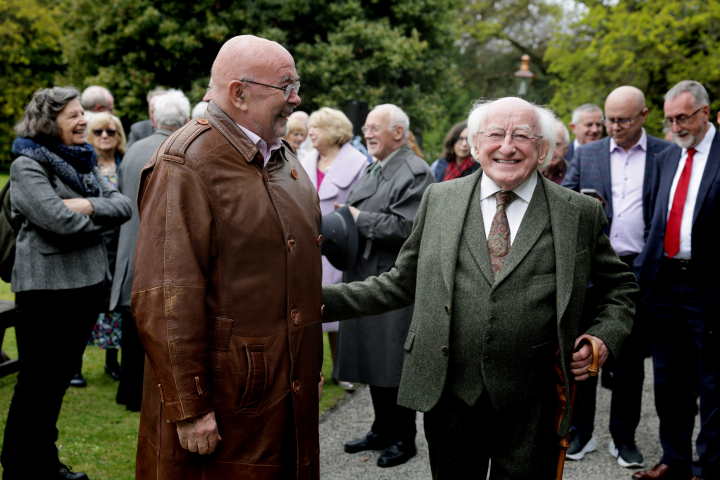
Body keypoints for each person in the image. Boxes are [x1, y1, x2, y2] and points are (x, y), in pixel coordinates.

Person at [322, 96, 638, 479]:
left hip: (533, 404)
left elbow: (620, 288)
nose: (507, 146)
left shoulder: (577, 213)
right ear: (474, 144)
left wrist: (602, 338)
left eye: (522, 135)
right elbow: (400, 283)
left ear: (542, 149)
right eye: (495, 134)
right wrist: (314, 302)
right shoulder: (440, 199)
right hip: (451, 399)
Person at [132, 35, 323, 480]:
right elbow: (164, 297)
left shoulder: (279, 155)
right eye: (286, 85)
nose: (296, 98)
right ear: (239, 93)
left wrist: (307, 360)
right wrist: (189, 407)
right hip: (229, 397)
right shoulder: (186, 164)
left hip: (281, 383)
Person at [0, 87, 132, 480]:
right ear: (49, 122)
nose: (83, 121)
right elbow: (59, 221)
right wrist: (93, 216)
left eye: (82, 114)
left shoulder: (83, 160)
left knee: (55, 382)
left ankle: (43, 463)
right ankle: (20, 468)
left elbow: (123, 206)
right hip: (45, 292)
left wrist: (88, 204)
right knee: (37, 383)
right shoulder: (27, 165)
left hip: (85, 288)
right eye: (73, 115)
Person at [562, 86, 672, 468]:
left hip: (644, 270)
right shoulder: (589, 153)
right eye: (610, 119)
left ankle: (623, 438)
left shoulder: (665, 153)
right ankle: (580, 433)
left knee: (627, 363)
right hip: (593, 271)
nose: (614, 127)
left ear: (643, 116)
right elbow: (565, 199)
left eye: (623, 120)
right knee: (582, 354)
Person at [333, 103, 434, 468]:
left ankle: (403, 438)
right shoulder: (378, 165)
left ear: (398, 132)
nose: (367, 133)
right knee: (373, 358)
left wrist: (359, 218)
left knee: (393, 362)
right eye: (366, 127)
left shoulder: (414, 171)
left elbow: (410, 228)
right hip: (368, 275)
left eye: (375, 127)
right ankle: (380, 429)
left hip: (394, 281)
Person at [633, 80, 720, 480]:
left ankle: (709, 466)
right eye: (669, 120)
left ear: (704, 112)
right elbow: (656, 218)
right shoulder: (668, 156)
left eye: (682, 117)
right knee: (668, 380)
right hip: (665, 285)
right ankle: (675, 460)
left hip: (709, 288)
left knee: (712, 382)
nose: (675, 127)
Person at [110, 90, 190, 412]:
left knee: (132, 326)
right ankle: (141, 395)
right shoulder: (177, 151)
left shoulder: (131, 150)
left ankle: (127, 391)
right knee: (155, 329)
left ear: (154, 118)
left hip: (129, 248)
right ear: (185, 121)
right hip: (155, 251)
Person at [299, 107, 366, 392]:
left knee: (338, 306)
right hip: (307, 242)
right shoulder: (305, 158)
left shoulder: (357, 162)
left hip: (340, 244)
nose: (310, 132)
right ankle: (312, 371)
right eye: (310, 127)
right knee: (307, 308)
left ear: (335, 132)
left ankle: (343, 369)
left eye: (317, 127)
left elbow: (364, 202)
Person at [73, 111, 130, 387]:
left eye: (111, 131)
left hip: (120, 245)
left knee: (115, 304)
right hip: (90, 242)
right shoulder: (81, 165)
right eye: (98, 131)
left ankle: (112, 361)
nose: (105, 136)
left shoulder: (125, 163)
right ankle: (75, 366)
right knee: (85, 304)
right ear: (89, 135)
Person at [541, 120, 571, 185]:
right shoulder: (528, 172)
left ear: (566, 149)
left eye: (556, 144)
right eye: (546, 144)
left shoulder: (574, 173)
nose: (550, 150)